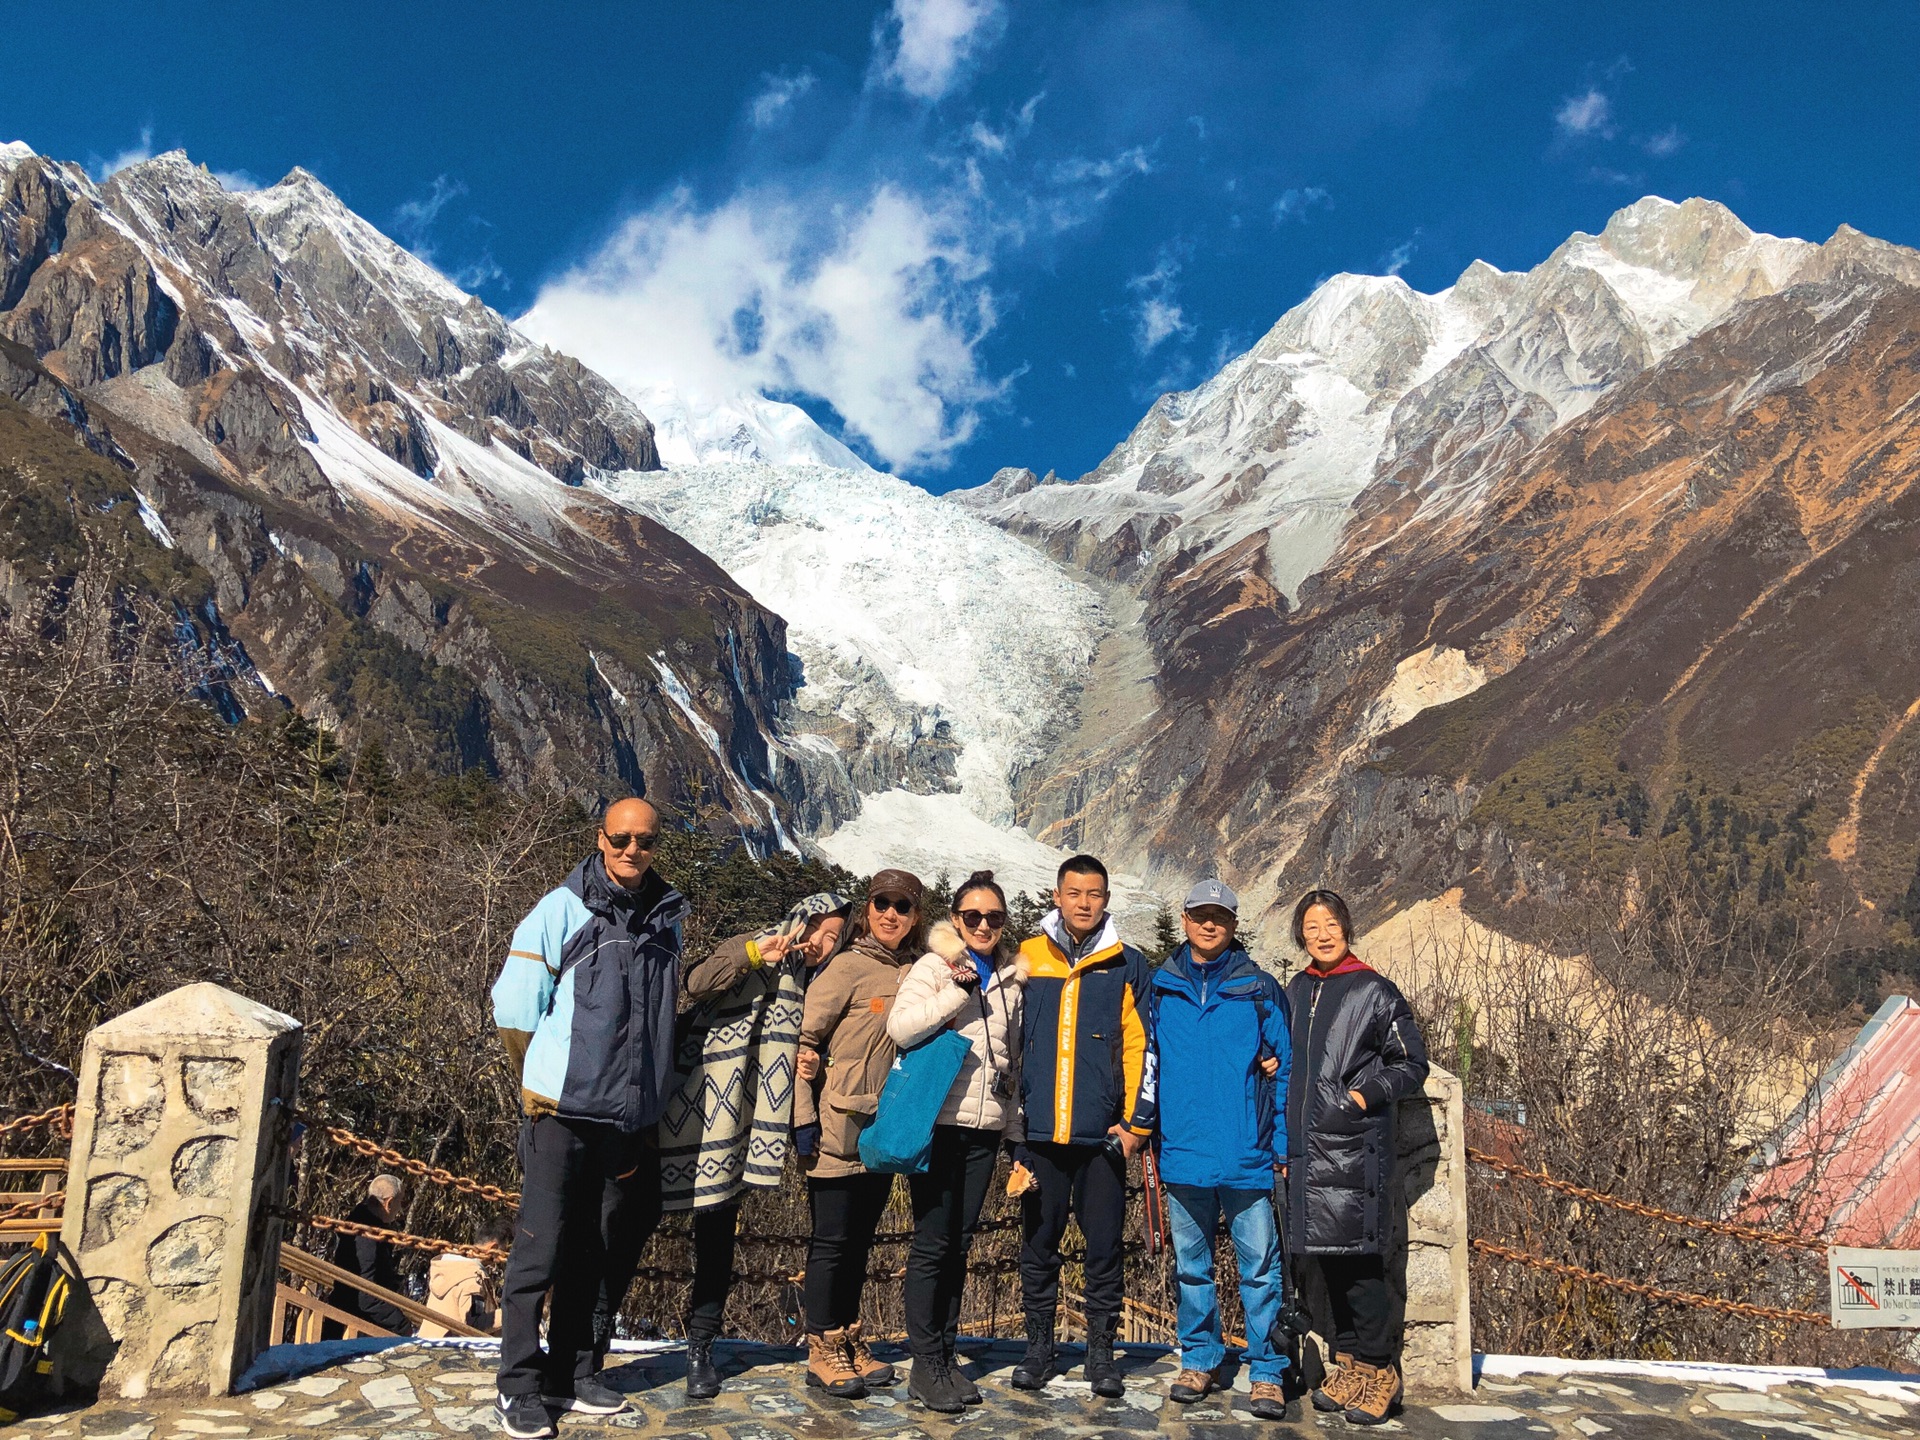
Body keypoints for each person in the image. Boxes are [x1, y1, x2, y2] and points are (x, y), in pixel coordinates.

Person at [489, 797, 687, 1440]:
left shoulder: (667, 918)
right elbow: (515, 1008)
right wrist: (542, 1077)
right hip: (561, 1110)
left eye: (646, 841)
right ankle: (518, 1382)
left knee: (594, 1250)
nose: (633, 851)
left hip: (623, 1115)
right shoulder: (561, 909)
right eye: (621, 838)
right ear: (600, 838)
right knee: (539, 1247)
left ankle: (573, 1371)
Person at [665, 891, 852, 1399]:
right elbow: (697, 982)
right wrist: (753, 952)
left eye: (832, 937)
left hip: (742, 1126)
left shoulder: (823, 983)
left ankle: (700, 1346)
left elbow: (828, 1043)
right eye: (816, 929)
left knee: (717, 1235)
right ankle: (593, 1339)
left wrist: (818, 1065)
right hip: (689, 1106)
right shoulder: (758, 943)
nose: (818, 942)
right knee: (632, 1221)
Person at [1010, 854, 1157, 1398]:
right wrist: (1014, 1126)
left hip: (1102, 1140)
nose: (1084, 903)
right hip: (1040, 1136)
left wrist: (1136, 1124)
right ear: (1057, 895)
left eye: (1094, 894)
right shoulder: (1026, 957)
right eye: (1075, 893)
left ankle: (1100, 1352)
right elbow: (1005, 1039)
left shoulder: (1127, 964)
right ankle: (1039, 1348)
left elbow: (1144, 1046)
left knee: (1103, 1248)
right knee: (1038, 1244)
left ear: (1106, 899)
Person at [1284, 888, 1429, 1428]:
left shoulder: (1375, 990)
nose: (1322, 934)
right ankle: (1347, 1364)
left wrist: (1361, 1098)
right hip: (1306, 1151)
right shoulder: (1297, 988)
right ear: (1301, 932)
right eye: (1312, 925)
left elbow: (1412, 1062)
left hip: (1353, 1148)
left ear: (1347, 928)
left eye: (1331, 924)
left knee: (1362, 1265)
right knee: (1326, 1261)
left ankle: (1379, 1370)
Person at [1149, 880, 1292, 1421]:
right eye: (1200, 915)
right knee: (1192, 1268)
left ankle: (1267, 1370)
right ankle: (1199, 1358)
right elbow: (1146, 1062)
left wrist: (1277, 1143)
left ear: (1233, 924)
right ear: (1184, 919)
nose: (1210, 925)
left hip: (1246, 1153)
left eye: (1220, 917)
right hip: (1183, 1152)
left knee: (1260, 1270)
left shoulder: (1258, 988)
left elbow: (1287, 1066)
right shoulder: (1160, 987)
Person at [886, 870, 1027, 1413]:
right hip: (940, 1122)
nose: (983, 924)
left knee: (960, 1245)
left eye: (993, 917)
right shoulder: (934, 966)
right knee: (932, 1243)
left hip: (985, 1129)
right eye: (973, 916)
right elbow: (901, 1028)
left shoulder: (1013, 977)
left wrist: (1014, 1135)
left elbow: (1009, 1062)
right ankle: (925, 1365)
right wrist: (955, 992)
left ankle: (945, 1355)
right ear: (956, 918)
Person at [792, 869, 926, 1399]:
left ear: (916, 916)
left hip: (885, 1130)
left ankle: (847, 1338)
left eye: (902, 906)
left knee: (860, 1241)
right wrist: (802, 1119)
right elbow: (801, 1037)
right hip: (837, 1125)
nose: (890, 914)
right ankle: (821, 1348)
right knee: (831, 1240)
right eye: (881, 903)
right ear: (866, 909)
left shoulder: (917, 970)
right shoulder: (845, 968)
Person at [323, 1175, 410, 1337]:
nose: (400, 1209)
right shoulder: (365, 1235)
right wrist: (401, 1325)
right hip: (354, 1326)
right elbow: (366, 1294)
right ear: (389, 1203)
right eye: (400, 1202)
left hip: (352, 1320)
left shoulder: (363, 1222)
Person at [419, 1216, 516, 1338]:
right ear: (494, 1248)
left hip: (430, 1344)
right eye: (504, 1249)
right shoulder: (471, 1278)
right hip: (453, 1352)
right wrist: (511, 1313)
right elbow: (474, 1324)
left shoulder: (449, 1267)